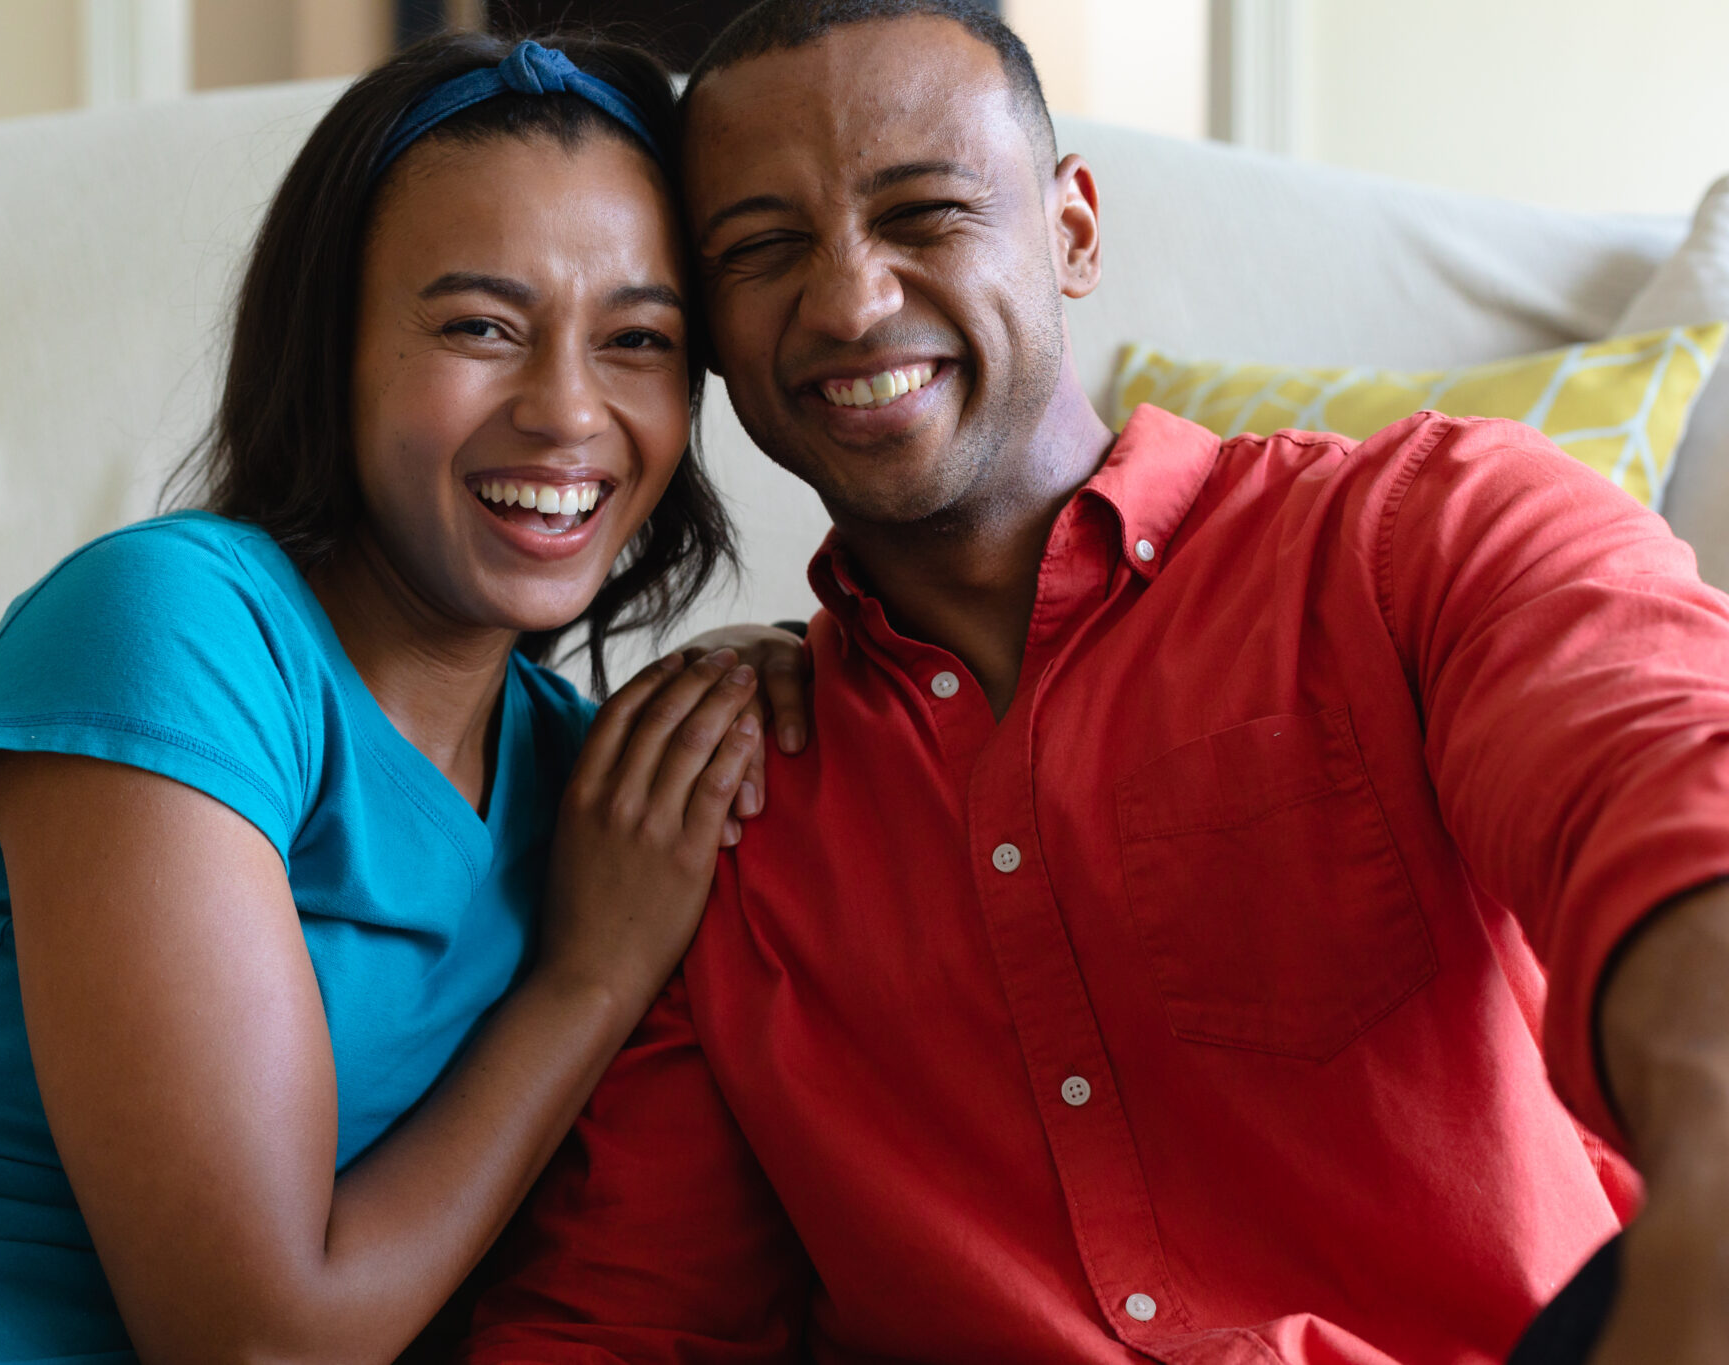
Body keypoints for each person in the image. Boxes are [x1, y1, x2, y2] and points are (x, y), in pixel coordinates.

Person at [459, 3, 1729, 1363]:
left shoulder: (1424, 534)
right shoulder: (710, 803)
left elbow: (1665, 791)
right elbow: (629, 1317)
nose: (848, 301)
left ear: (1070, 230)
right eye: (764, 249)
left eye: (926, 212)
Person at [0, 32, 810, 1365]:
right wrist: (587, 978)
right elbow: (255, 1345)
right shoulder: (173, 625)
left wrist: (808, 667)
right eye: (481, 327)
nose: (569, 409)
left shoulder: (586, 782)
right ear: (331, 348)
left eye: (638, 340)